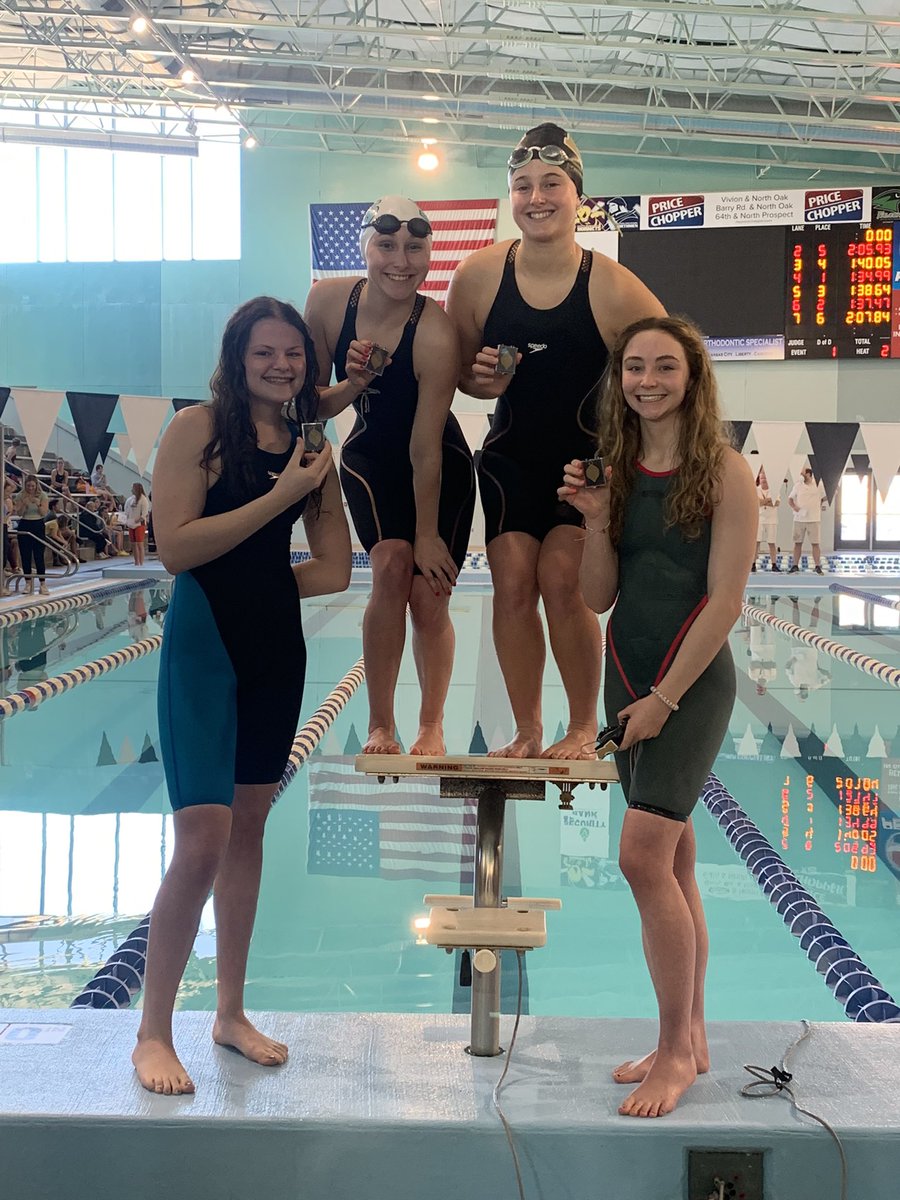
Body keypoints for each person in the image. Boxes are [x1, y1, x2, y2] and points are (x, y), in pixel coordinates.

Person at [132, 296, 351, 1097]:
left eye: (293, 353)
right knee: (200, 841)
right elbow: (175, 549)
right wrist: (277, 500)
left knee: (249, 828)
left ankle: (229, 1013)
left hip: (273, 651)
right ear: (237, 356)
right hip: (204, 647)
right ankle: (152, 1031)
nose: (281, 365)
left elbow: (331, 568)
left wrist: (266, 574)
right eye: (265, 353)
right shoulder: (197, 429)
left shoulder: (309, 447)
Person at [560, 316, 757, 1118]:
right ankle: (692, 1036)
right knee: (671, 862)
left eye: (664, 366)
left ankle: (674, 1053)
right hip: (624, 674)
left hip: (689, 684)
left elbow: (726, 602)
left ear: (692, 376)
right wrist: (597, 519)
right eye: (635, 366)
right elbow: (596, 596)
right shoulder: (616, 472)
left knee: (642, 856)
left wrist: (665, 699)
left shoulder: (726, 472)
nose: (648, 379)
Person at [446, 123, 665, 759]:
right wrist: (483, 381)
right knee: (513, 581)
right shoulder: (480, 275)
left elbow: (674, 360)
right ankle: (527, 728)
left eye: (551, 184)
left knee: (562, 579)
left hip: (588, 465)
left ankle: (576, 727)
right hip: (512, 457)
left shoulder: (613, 285)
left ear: (578, 197)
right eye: (522, 186)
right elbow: (460, 371)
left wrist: (646, 450)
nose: (536, 197)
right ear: (509, 196)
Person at [305, 195, 475, 756]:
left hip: (440, 461)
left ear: (430, 253)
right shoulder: (329, 303)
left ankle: (431, 725)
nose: (400, 260)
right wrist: (353, 383)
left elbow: (426, 446)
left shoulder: (437, 331)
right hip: (370, 455)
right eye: (386, 246)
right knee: (389, 570)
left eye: (414, 247)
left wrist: (428, 533)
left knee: (429, 596)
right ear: (365, 248)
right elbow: (310, 407)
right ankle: (382, 723)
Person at [14, 474, 50, 595]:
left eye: (32, 486)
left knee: (39, 555)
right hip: (25, 524)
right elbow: (19, 513)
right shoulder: (20, 495)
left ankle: (42, 583)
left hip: (38, 525)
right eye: (28, 486)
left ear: (36, 485)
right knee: (25, 555)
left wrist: (37, 503)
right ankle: (28, 583)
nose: (30, 488)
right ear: (25, 485)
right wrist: (24, 504)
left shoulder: (43, 495)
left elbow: (44, 513)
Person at [787, 466, 825, 574]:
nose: (801, 475)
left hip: (814, 519)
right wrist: (794, 507)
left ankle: (817, 566)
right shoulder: (798, 486)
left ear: (808, 474)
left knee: (815, 543)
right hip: (799, 519)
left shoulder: (818, 485)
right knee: (797, 543)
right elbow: (790, 499)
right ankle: (795, 565)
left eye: (803, 473)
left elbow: (825, 497)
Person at [754, 465, 780, 571]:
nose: (763, 479)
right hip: (759, 519)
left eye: (765, 477)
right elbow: (756, 503)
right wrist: (768, 501)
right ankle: (752, 564)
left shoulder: (774, 489)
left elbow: (777, 503)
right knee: (756, 543)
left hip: (771, 520)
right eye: (762, 477)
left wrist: (763, 502)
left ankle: (774, 564)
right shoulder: (756, 489)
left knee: (771, 543)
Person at [124, 482, 150, 566]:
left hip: (139, 524)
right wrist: (128, 520)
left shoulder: (143, 500)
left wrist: (137, 520)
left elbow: (144, 513)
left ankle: (141, 562)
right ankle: (136, 562)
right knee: (133, 544)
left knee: (139, 543)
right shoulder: (130, 499)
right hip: (131, 523)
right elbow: (126, 511)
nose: (131, 490)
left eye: (132, 488)